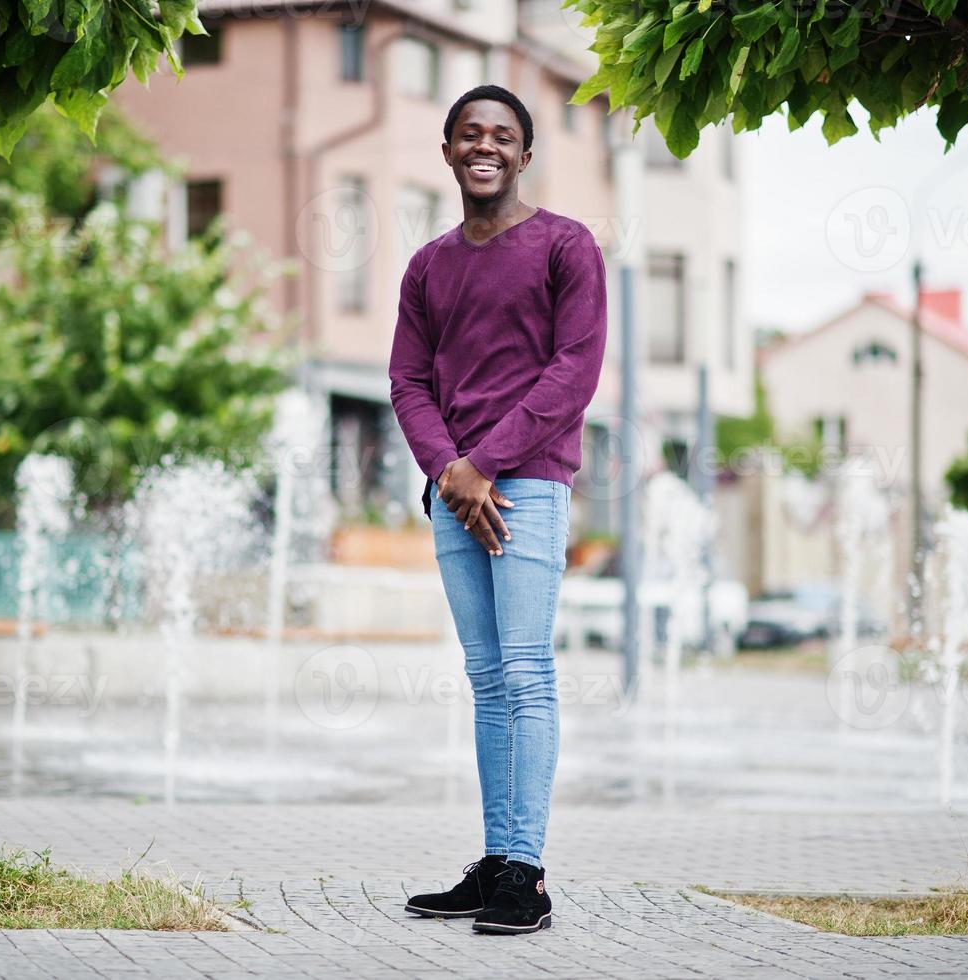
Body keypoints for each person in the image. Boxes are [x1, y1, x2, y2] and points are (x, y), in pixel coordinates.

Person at [387, 84, 608, 935]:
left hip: (528, 487)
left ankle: (526, 874)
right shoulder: (427, 266)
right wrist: (450, 470)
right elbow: (407, 381)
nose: (485, 146)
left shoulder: (564, 244)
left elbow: (574, 371)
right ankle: (493, 863)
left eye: (502, 136)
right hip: (455, 492)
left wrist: (482, 464)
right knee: (486, 683)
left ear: (523, 155)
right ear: (447, 151)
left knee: (525, 674)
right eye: (468, 134)